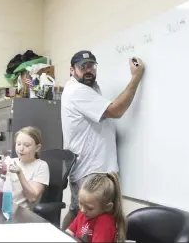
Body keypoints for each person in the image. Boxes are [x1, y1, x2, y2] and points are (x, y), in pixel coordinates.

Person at [61, 50, 144, 229]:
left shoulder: (88, 87)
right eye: (82, 67)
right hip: (92, 171)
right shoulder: (78, 91)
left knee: (77, 214)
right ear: (72, 70)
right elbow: (116, 111)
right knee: (99, 223)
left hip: (85, 168)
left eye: (91, 66)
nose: (88, 70)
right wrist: (136, 77)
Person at [0, 126, 50, 210]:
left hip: (23, 214)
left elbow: (32, 199)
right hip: (4, 208)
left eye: (27, 145)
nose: (21, 149)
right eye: (18, 144)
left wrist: (19, 173)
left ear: (37, 148)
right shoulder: (10, 162)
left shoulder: (41, 166)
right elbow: (0, 191)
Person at [66, 172, 126, 243]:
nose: (82, 210)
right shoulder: (83, 214)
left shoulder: (105, 222)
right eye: (80, 203)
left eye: (90, 208)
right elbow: (68, 233)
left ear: (107, 207)